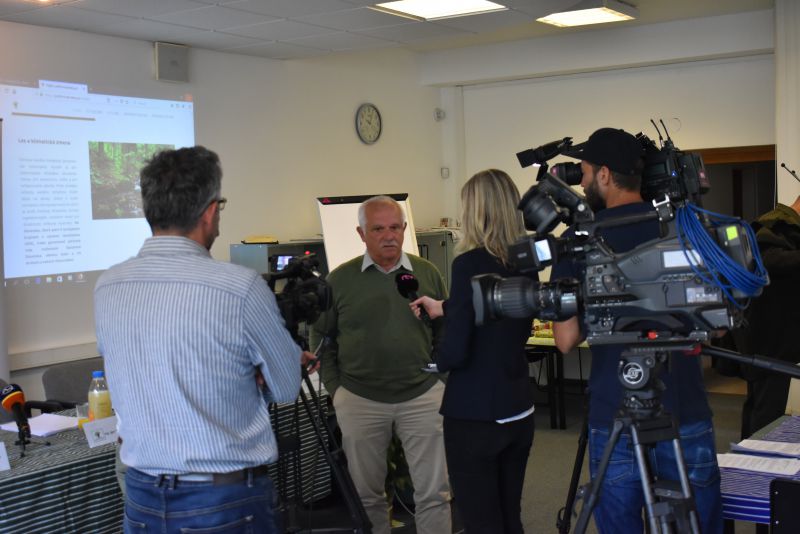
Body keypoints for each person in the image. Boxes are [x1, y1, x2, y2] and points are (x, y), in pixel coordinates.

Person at [94, 146, 314, 533]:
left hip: (141, 495)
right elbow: (284, 388)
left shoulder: (108, 285)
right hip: (223, 501)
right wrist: (253, 377)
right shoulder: (239, 288)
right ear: (210, 211)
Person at [550, 128, 723, 533]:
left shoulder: (577, 240)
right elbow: (716, 330)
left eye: (587, 172)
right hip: (685, 410)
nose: (585, 181)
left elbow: (564, 340)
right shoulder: (686, 225)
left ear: (605, 174)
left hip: (615, 412)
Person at [310, 195, 451, 534]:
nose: (389, 236)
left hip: (422, 396)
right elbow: (322, 339)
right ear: (361, 233)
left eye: (394, 227)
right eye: (378, 229)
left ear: (404, 229)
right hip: (360, 400)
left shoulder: (427, 273)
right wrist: (337, 391)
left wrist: (441, 380)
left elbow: (446, 332)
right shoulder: (339, 280)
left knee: (435, 494)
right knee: (368, 496)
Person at [411, 169, 536, 534]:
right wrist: (447, 306)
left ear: (476, 211)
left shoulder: (467, 263)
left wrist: (434, 362)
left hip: (475, 416)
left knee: (480, 519)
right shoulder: (525, 261)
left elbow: (459, 349)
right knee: (509, 513)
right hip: (518, 408)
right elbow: (494, 309)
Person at [737, 194, 800, 438]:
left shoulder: (785, 226)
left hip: (773, 336)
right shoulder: (774, 225)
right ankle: (756, 463)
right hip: (770, 339)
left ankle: (746, 456)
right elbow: (769, 261)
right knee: (766, 411)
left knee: (758, 405)